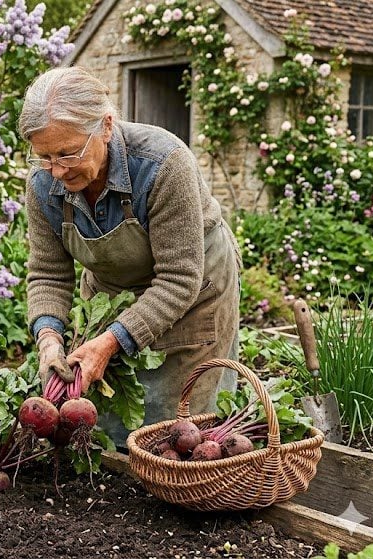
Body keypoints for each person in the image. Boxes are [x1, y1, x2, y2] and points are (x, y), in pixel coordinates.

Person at [19, 66, 241, 446]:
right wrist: (48, 337)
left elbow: (178, 278)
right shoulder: (43, 185)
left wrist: (111, 341)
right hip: (112, 293)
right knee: (109, 426)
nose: (56, 171)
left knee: (179, 430)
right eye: (44, 156)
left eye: (67, 154)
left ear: (105, 127)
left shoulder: (162, 165)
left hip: (193, 290)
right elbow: (48, 274)